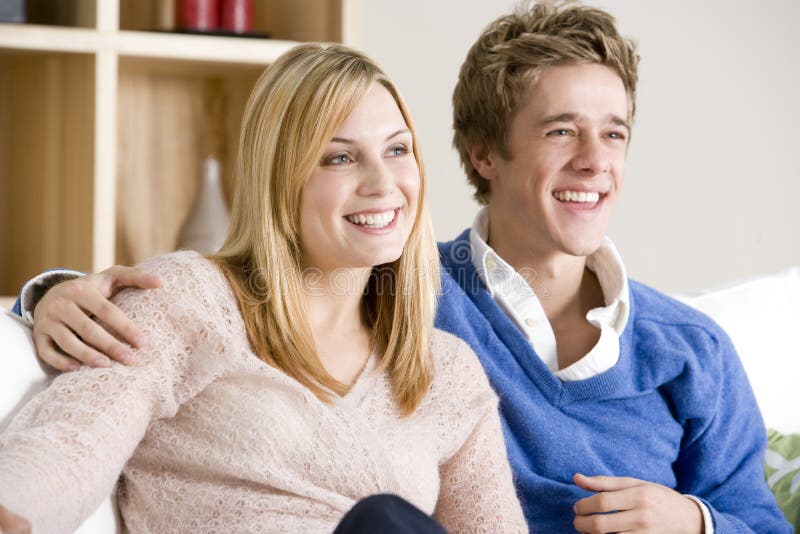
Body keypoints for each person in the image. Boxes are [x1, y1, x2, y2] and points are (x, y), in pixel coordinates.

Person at [9, 2, 792, 533]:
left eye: (614, 134)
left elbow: (759, 520)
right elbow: (74, 442)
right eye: (562, 132)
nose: (594, 161)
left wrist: (696, 521)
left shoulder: (685, 348)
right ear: (483, 154)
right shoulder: (416, 298)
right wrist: (46, 294)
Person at [0, 43, 526, 533]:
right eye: (339, 157)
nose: (383, 183)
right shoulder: (188, 299)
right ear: (280, 177)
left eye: (397, 150)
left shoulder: (446, 373)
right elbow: (68, 446)